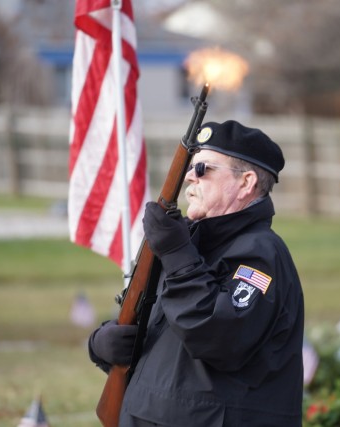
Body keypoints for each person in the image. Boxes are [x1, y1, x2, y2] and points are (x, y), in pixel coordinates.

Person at [88, 120, 305, 427]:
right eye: (190, 167)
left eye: (204, 169)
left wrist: (178, 254)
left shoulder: (262, 253)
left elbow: (219, 336)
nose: (190, 176)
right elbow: (154, 322)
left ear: (246, 183)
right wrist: (101, 343)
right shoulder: (186, 242)